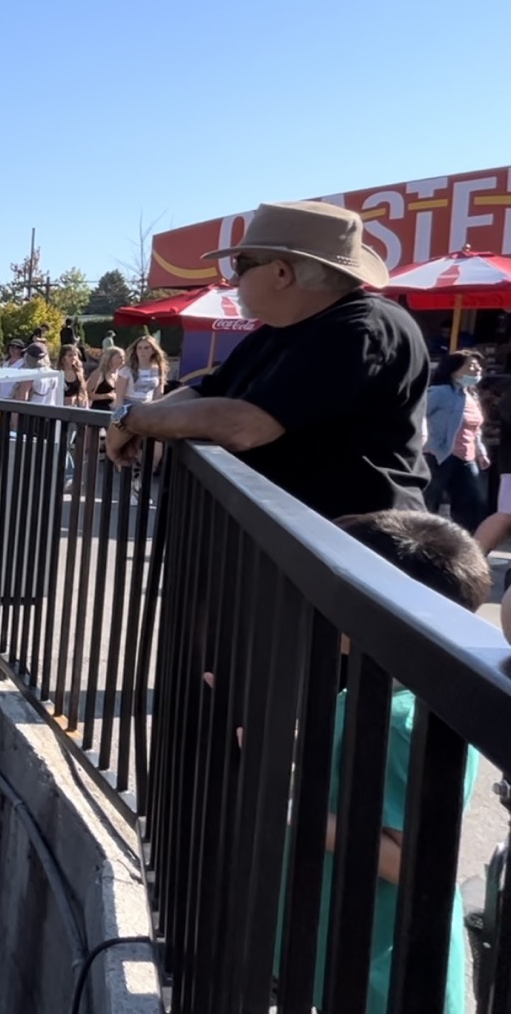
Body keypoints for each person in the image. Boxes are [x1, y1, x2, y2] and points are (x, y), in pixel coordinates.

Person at [282, 510, 487, 1014]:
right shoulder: (388, 688)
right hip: (353, 953)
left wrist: (294, 806)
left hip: (381, 974)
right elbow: (347, 764)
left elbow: (410, 860)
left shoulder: (403, 721)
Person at [107, 200, 430, 520]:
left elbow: (245, 425)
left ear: (280, 272)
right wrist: (130, 417)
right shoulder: (282, 328)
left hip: (347, 551)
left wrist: (134, 419)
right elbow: (206, 392)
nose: (232, 281)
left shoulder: (361, 329)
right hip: (296, 548)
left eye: (240, 266)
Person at [424, 350, 489, 532]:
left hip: (467, 458)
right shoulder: (440, 392)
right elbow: (420, 414)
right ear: (454, 370)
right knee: (430, 500)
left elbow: (475, 429)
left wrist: (481, 452)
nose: (476, 370)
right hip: (440, 455)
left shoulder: (471, 396)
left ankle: (465, 543)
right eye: (470, 365)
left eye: (478, 366)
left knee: (474, 502)